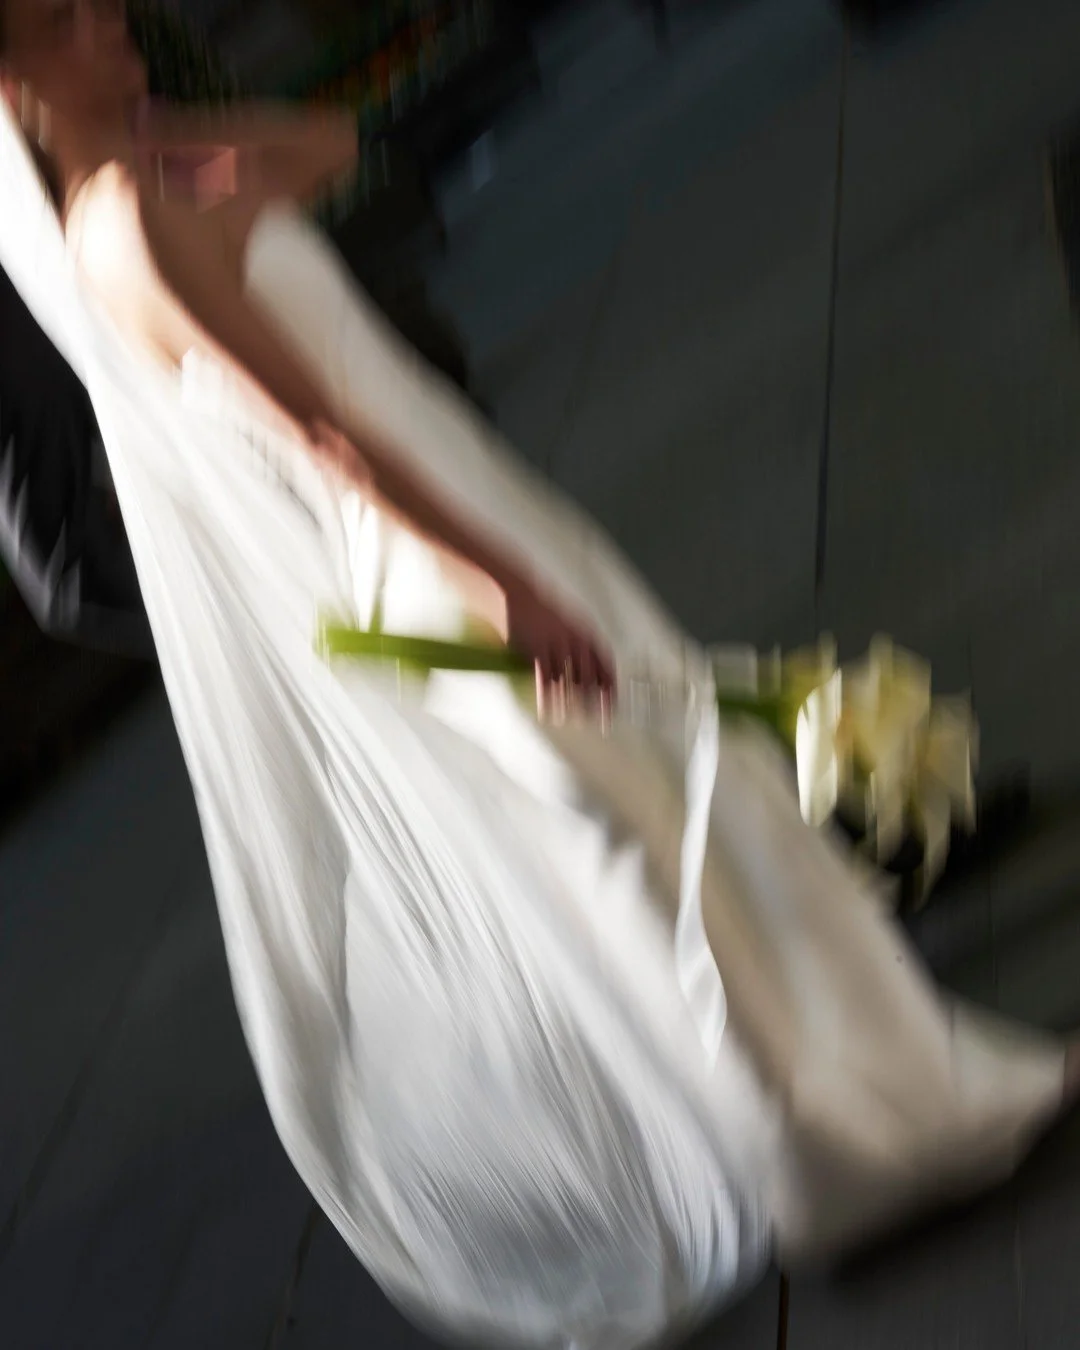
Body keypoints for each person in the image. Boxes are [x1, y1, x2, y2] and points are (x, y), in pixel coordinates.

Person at [0, 3, 1076, 1347]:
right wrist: (492, 584)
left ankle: (856, 1099)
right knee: (631, 839)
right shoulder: (126, 222)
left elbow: (326, 143)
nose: (107, 20)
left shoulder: (159, 181)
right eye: (61, 22)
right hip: (434, 556)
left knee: (661, 806)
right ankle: (829, 1147)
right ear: (9, 84)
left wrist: (170, 128)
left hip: (472, 512)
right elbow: (316, 433)